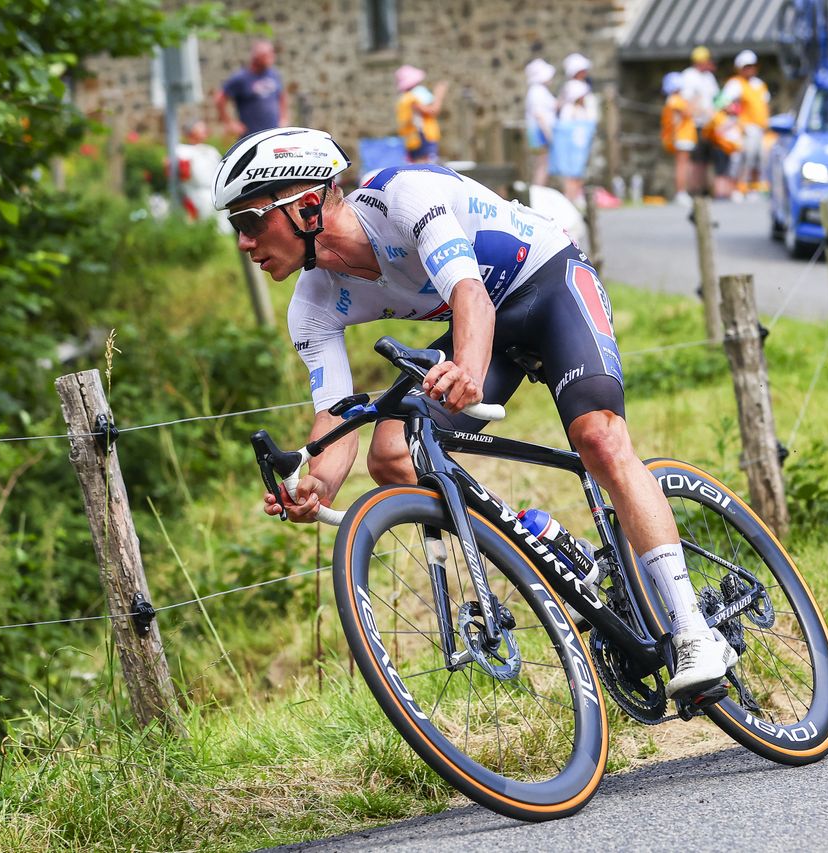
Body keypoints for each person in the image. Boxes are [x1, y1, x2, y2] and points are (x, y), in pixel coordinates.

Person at [211, 127, 739, 700]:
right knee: (391, 454)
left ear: (307, 206)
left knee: (600, 439)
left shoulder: (404, 195)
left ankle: (693, 632)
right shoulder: (311, 304)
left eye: (250, 222)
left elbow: (470, 296)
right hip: (488, 323)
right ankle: (555, 553)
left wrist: (465, 368)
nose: (242, 243)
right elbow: (336, 415)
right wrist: (314, 485)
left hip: (548, 282)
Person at [721, 50, 771, 197]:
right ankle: (739, 187)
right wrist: (733, 112)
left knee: (760, 159)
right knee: (746, 157)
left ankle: (754, 187)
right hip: (746, 128)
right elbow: (721, 102)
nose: (750, 69)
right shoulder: (736, 84)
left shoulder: (760, 84)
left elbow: (765, 105)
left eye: (752, 66)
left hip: (761, 128)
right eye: (746, 66)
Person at [552, 53, 600, 206]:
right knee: (573, 169)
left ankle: (573, 196)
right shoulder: (574, 90)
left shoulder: (569, 90)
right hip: (575, 134)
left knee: (576, 169)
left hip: (578, 133)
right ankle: (570, 198)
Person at [214, 40, 288, 137]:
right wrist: (229, 123)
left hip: (274, 134)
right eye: (267, 55)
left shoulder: (274, 74)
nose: (272, 57)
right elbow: (220, 99)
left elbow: (281, 96)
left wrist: (284, 118)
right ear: (256, 57)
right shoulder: (241, 78)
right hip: (251, 136)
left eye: (272, 54)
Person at [679, 45, 721, 197]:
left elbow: (716, 98)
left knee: (705, 160)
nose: (710, 64)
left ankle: (703, 191)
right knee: (694, 160)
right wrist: (701, 110)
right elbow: (687, 101)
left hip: (709, 124)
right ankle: (693, 191)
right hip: (694, 124)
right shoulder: (688, 76)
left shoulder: (708, 77)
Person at [395, 65, 448, 163]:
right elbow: (433, 111)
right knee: (425, 167)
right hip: (422, 139)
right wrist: (439, 95)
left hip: (412, 141)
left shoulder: (404, 99)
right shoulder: (412, 99)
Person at [659, 72, 696, 207]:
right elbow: (689, 112)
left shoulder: (674, 100)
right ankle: (681, 192)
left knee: (684, 164)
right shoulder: (675, 100)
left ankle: (683, 191)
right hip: (681, 136)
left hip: (683, 136)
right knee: (682, 165)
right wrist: (693, 101)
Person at [524, 58, 557, 187]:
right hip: (539, 132)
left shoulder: (539, 90)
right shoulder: (536, 91)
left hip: (540, 131)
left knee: (543, 164)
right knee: (542, 165)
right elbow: (539, 115)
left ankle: (539, 192)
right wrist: (549, 135)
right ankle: (538, 193)